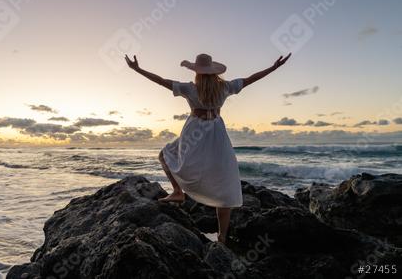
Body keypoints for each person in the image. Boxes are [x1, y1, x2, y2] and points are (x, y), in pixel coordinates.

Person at [124, 52, 291, 243]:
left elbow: (161, 81)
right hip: (216, 134)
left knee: (165, 155)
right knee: (223, 183)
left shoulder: (190, 88)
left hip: (194, 132)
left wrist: (137, 69)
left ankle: (178, 191)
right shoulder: (224, 87)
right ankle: (223, 236)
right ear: (213, 72)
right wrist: (274, 67)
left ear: (196, 72)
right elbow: (251, 79)